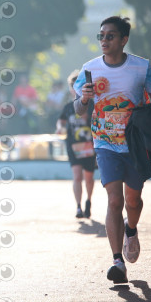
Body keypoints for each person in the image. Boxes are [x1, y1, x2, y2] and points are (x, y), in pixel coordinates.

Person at [74, 16, 151, 284]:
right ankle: (117, 262)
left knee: (133, 201)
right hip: (105, 143)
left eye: (110, 36)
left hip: (135, 144)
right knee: (115, 200)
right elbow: (78, 109)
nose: (104, 40)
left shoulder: (141, 67)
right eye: (101, 36)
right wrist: (84, 99)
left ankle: (131, 229)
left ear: (124, 39)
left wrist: (145, 111)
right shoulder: (89, 69)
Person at [56, 69, 96, 218]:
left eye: (78, 85)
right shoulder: (68, 107)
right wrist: (60, 128)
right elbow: (61, 121)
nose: (75, 89)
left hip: (89, 146)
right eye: (72, 86)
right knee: (77, 176)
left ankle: (88, 200)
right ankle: (78, 207)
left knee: (89, 178)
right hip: (73, 145)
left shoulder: (92, 105)